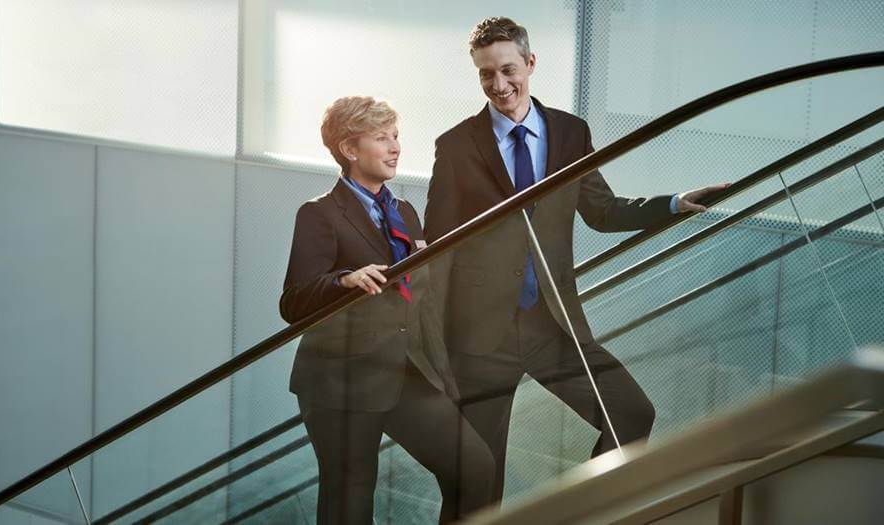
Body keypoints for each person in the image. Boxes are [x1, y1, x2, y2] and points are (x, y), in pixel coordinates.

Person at [423, 17, 729, 505]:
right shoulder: (457, 146)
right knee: (476, 489)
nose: (498, 85)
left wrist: (673, 203)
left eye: (507, 70)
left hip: (552, 325)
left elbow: (602, 210)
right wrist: (435, 352)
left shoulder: (568, 132)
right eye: (486, 75)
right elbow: (436, 248)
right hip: (479, 340)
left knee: (631, 416)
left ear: (530, 63)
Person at [280, 96, 495, 524]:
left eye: (396, 136)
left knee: (477, 469)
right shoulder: (319, 214)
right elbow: (294, 300)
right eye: (381, 138)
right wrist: (344, 280)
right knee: (350, 501)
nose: (395, 146)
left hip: (406, 373)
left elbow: (422, 302)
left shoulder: (406, 214)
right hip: (341, 379)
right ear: (349, 148)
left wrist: (444, 375)